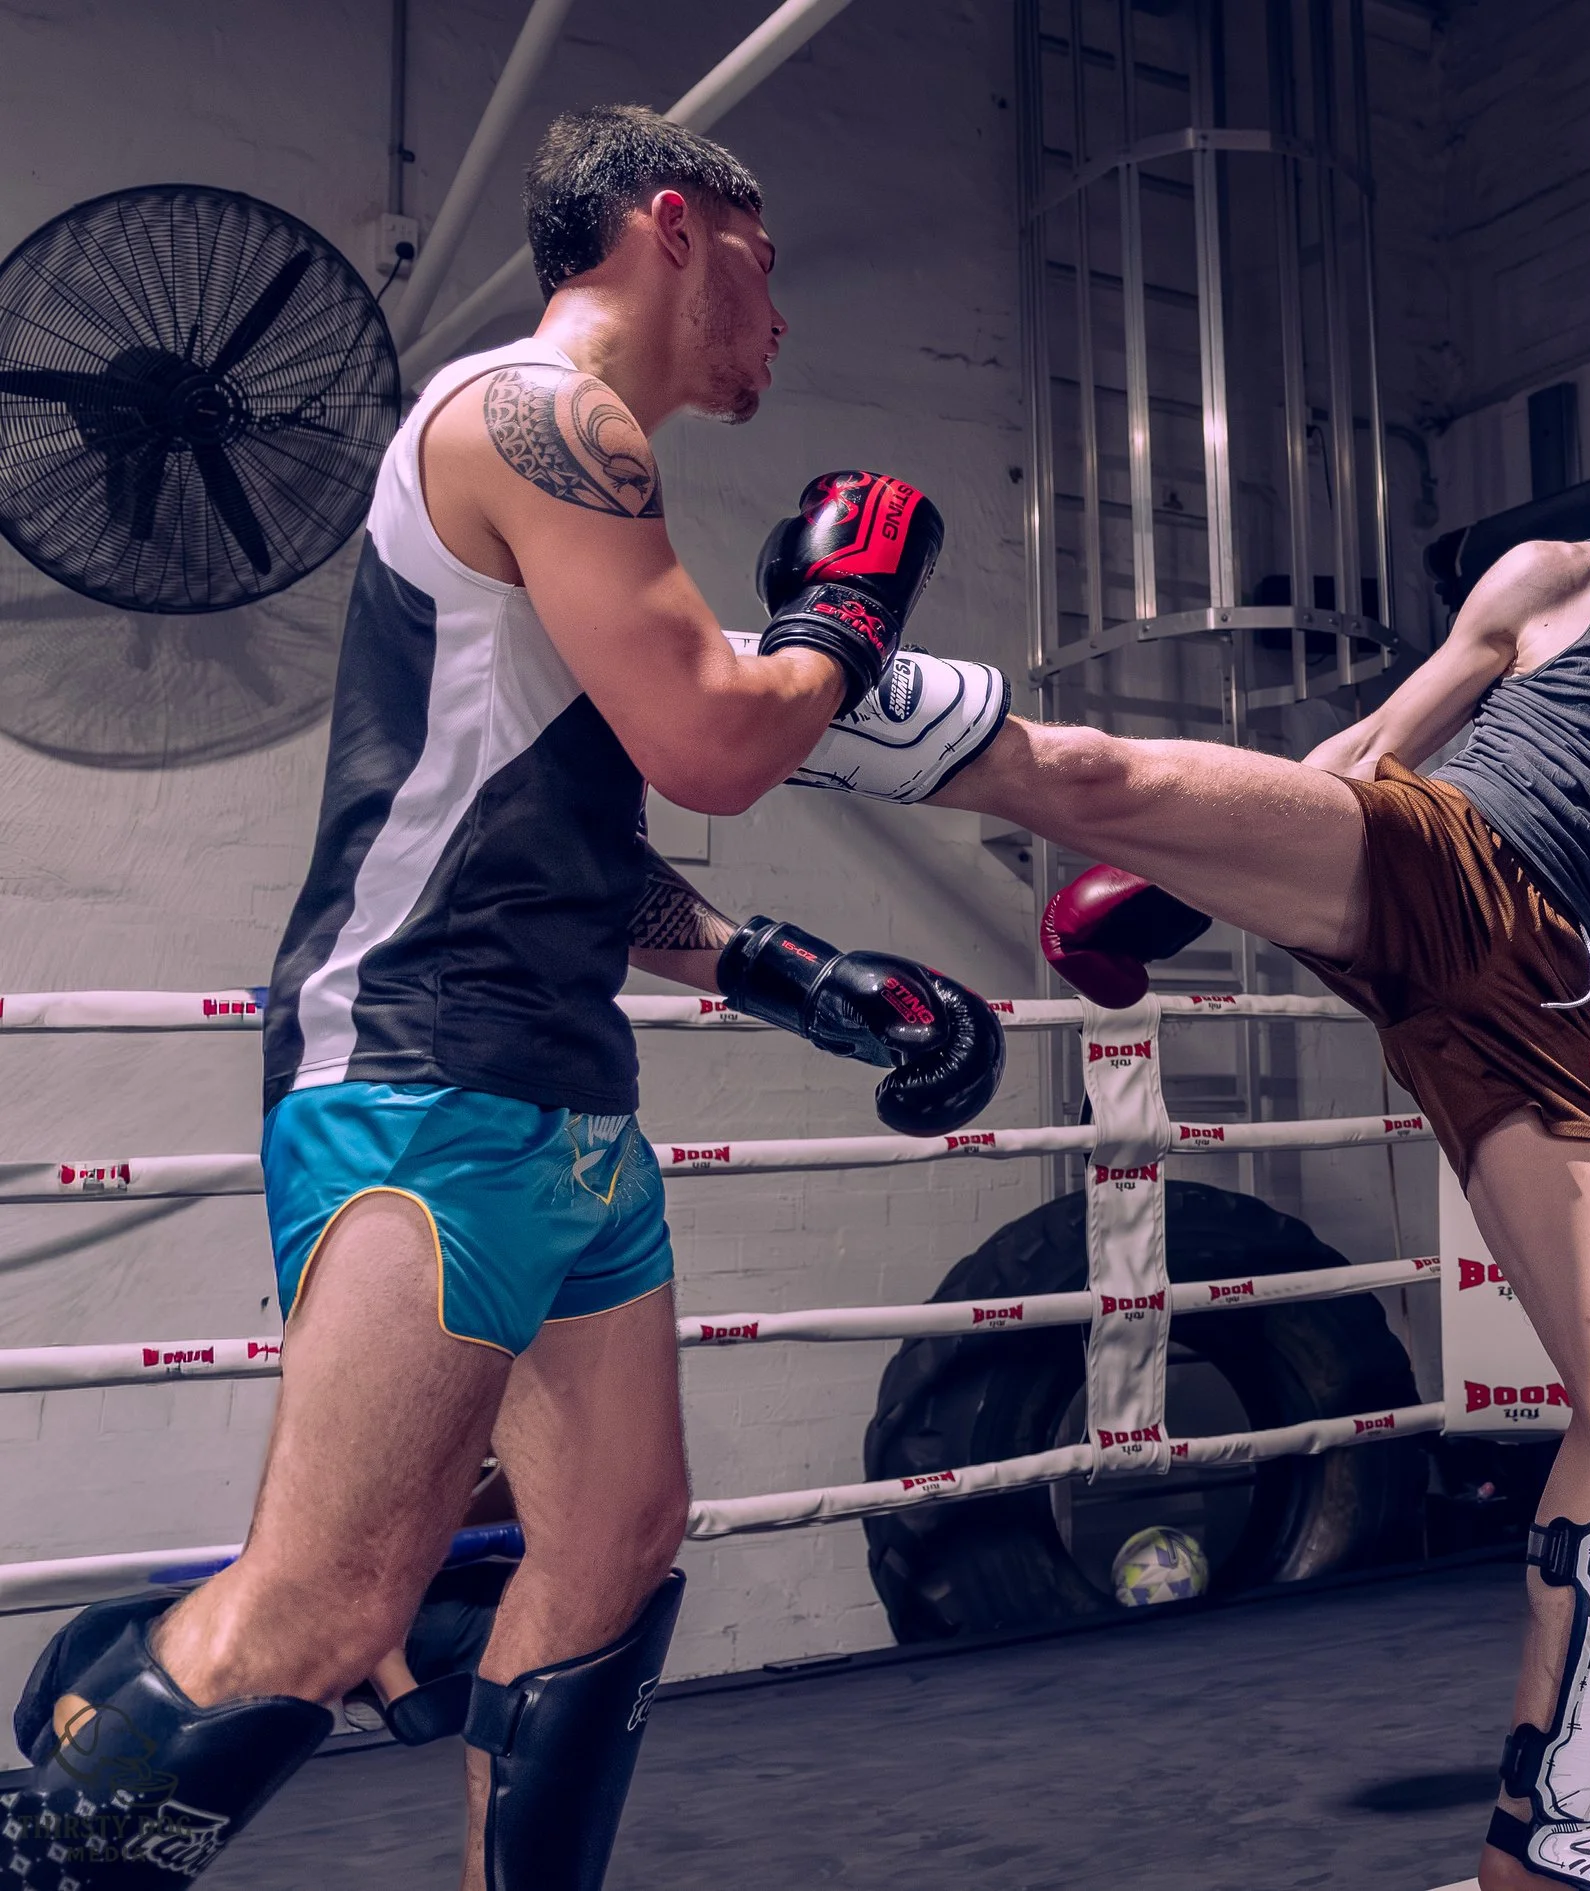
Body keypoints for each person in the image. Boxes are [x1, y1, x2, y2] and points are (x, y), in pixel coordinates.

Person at [761, 343, 1590, 1890]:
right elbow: (1373, 753)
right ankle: (767, 671)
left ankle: (1545, 1833)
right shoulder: (1551, 578)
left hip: (1538, 1005)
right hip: (1437, 855)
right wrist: (1202, 877)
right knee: (1096, 773)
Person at [6, 105, 999, 1891]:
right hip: (426, 1073)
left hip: (560, 1096)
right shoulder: (537, 414)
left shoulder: (576, 473)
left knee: (615, 1545)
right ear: (675, 226)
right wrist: (849, 612)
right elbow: (715, 732)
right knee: (327, 1608)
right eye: (770, 276)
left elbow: (559, 844)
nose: (782, 327)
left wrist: (801, 977)